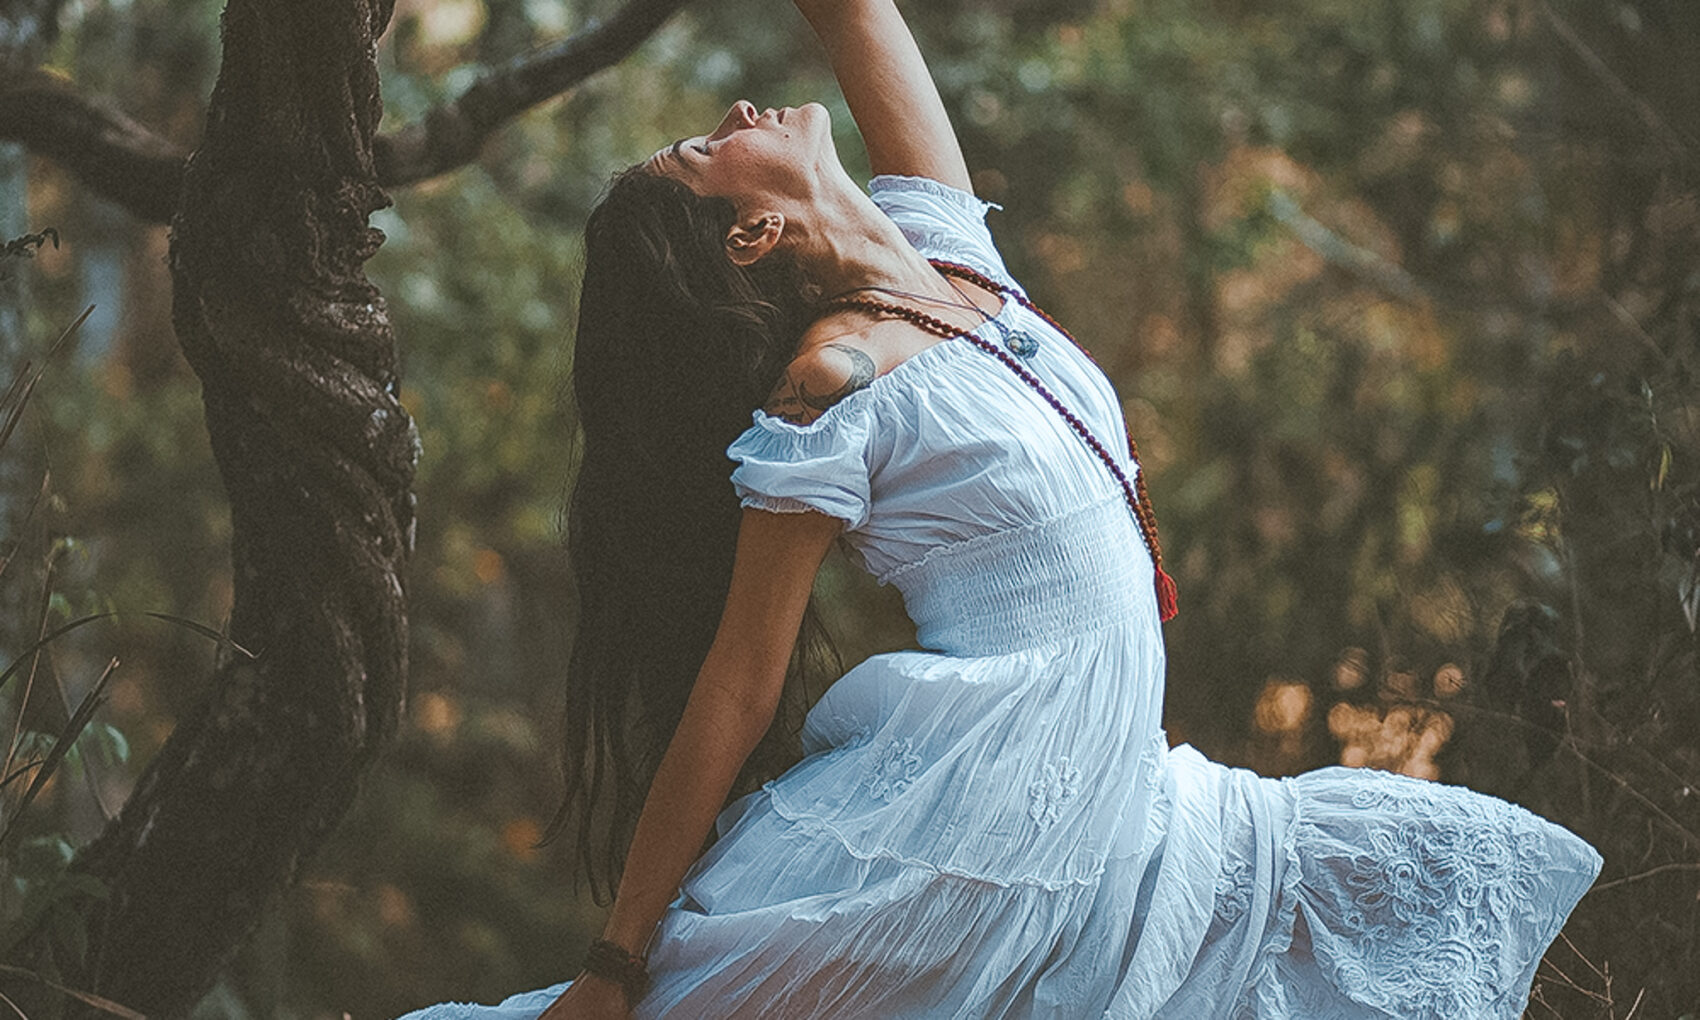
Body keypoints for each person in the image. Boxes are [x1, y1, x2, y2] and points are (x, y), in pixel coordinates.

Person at [399, 1, 1601, 1017]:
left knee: (1430, 872)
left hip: (1117, 780)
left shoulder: (946, 258)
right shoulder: (831, 384)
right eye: (704, 153)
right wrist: (613, 964)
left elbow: (855, 11)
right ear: (752, 234)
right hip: (978, 812)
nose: (735, 116)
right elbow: (736, 683)